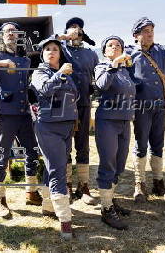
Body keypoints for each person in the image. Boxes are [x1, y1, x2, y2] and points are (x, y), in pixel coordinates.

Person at [0, 22, 42, 218]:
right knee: (3, 154)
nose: (11, 34)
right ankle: (0, 199)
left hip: (24, 113)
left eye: (14, 31)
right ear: (1, 37)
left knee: (32, 151)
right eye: (6, 32)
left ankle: (31, 191)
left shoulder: (24, 60)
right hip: (5, 113)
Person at [127, 17, 165, 202]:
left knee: (158, 144)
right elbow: (126, 78)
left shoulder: (160, 50)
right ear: (136, 35)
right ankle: (139, 184)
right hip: (141, 107)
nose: (150, 33)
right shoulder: (129, 53)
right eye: (145, 31)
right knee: (141, 144)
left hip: (160, 106)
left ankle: (158, 183)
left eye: (151, 30)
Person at [31, 37, 78, 240]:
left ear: (60, 54)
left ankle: (48, 206)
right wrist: (60, 74)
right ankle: (65, 221)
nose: (51, 51)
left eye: (55, 49)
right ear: (42, 54)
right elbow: (46, 89)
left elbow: (75, 95)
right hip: (48, 127)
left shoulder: (68, 73)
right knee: (59, 169)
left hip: (67, 125)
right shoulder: (39, 72)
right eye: (47, 49)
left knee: (53, 166)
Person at [55, 17, 98, 205]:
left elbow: (100, 74)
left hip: (84, 104)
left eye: (78, 28)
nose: (76, 30)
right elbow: (42, 46)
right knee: (65, 146)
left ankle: (84, 186)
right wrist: (63, 37)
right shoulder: (60, 50)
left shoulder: (90, 53)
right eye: (72, 28)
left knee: (83, 145)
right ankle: (67, 185)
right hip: (64, 105)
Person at [94, 36, 136, 230]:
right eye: (110, 45)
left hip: (124, 121)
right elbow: (102, 85)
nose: (115, 47)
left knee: (120, 164)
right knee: (108, 163)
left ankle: (110, 200)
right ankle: (106, 209)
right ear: (104, 51)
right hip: (107, 121)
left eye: (118, 45)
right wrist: (113, 64)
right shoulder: (102, 67)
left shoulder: (125, 70)